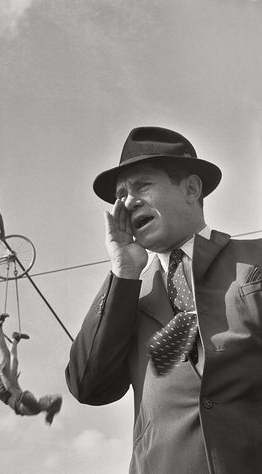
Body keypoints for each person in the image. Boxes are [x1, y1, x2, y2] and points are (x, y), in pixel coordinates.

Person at [65, 126, 262, 473]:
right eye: (121, 194)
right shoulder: (128, 297)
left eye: (141, 185)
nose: (127, 202)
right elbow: (90, 387)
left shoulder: (254, 261)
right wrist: (123, 271)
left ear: (191, 188)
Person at [0, 313, 62, 425]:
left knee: (6, 356)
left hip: (2, 389)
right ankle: (15, 339)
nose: (45, 395)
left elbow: (10, 389)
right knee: (14, 362)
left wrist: (1, 373)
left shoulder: (33, 404)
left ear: (47, 404)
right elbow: (17, 394)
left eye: (48, 397)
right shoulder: (35, 407)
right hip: (10, 390)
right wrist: (15, 380)